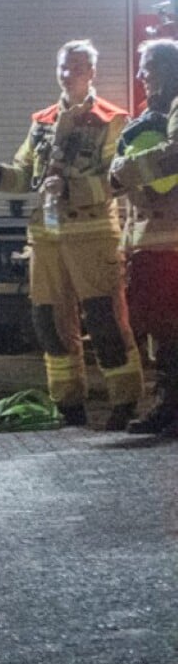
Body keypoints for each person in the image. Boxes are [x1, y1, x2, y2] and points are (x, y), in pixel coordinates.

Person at [0, 40, 142, 428]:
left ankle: (124, 402)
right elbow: (24, 175)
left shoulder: (113, 119)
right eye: (64, 66)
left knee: (105, 320)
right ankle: (69, 405)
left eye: (77, 67)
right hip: (47, 237)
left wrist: (71, 190)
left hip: (93, 235)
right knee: (48, 321)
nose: (69, 74)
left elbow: (119, 179)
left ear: (92, 72)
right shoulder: (42, 120)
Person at [111, 37, 178, 434]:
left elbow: (174, 154)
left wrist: (123, 170)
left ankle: (170, 407)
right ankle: (168, 403)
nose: (141, 75)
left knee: (166, 325)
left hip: (168, 244)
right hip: (154, 243)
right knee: (162, 327)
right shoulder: (154, 114)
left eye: (149, 66)